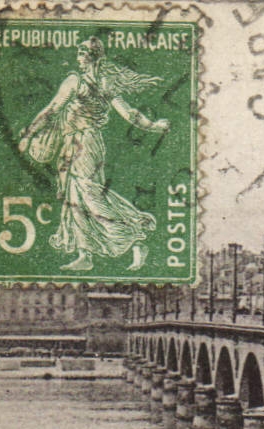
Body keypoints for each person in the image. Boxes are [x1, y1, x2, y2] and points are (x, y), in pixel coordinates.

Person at [18, 38, 170, 272]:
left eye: (82, 52)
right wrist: (153, 126)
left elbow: (52, 110)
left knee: (88, 195)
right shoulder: (105, 83)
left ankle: (134, 235)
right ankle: (86, 254)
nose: (78, 56)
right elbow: (129, 114)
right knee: (76, 197)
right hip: (84, 144)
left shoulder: (75, 81)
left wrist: (28, 134)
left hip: (82, 144)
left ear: (91, 57)